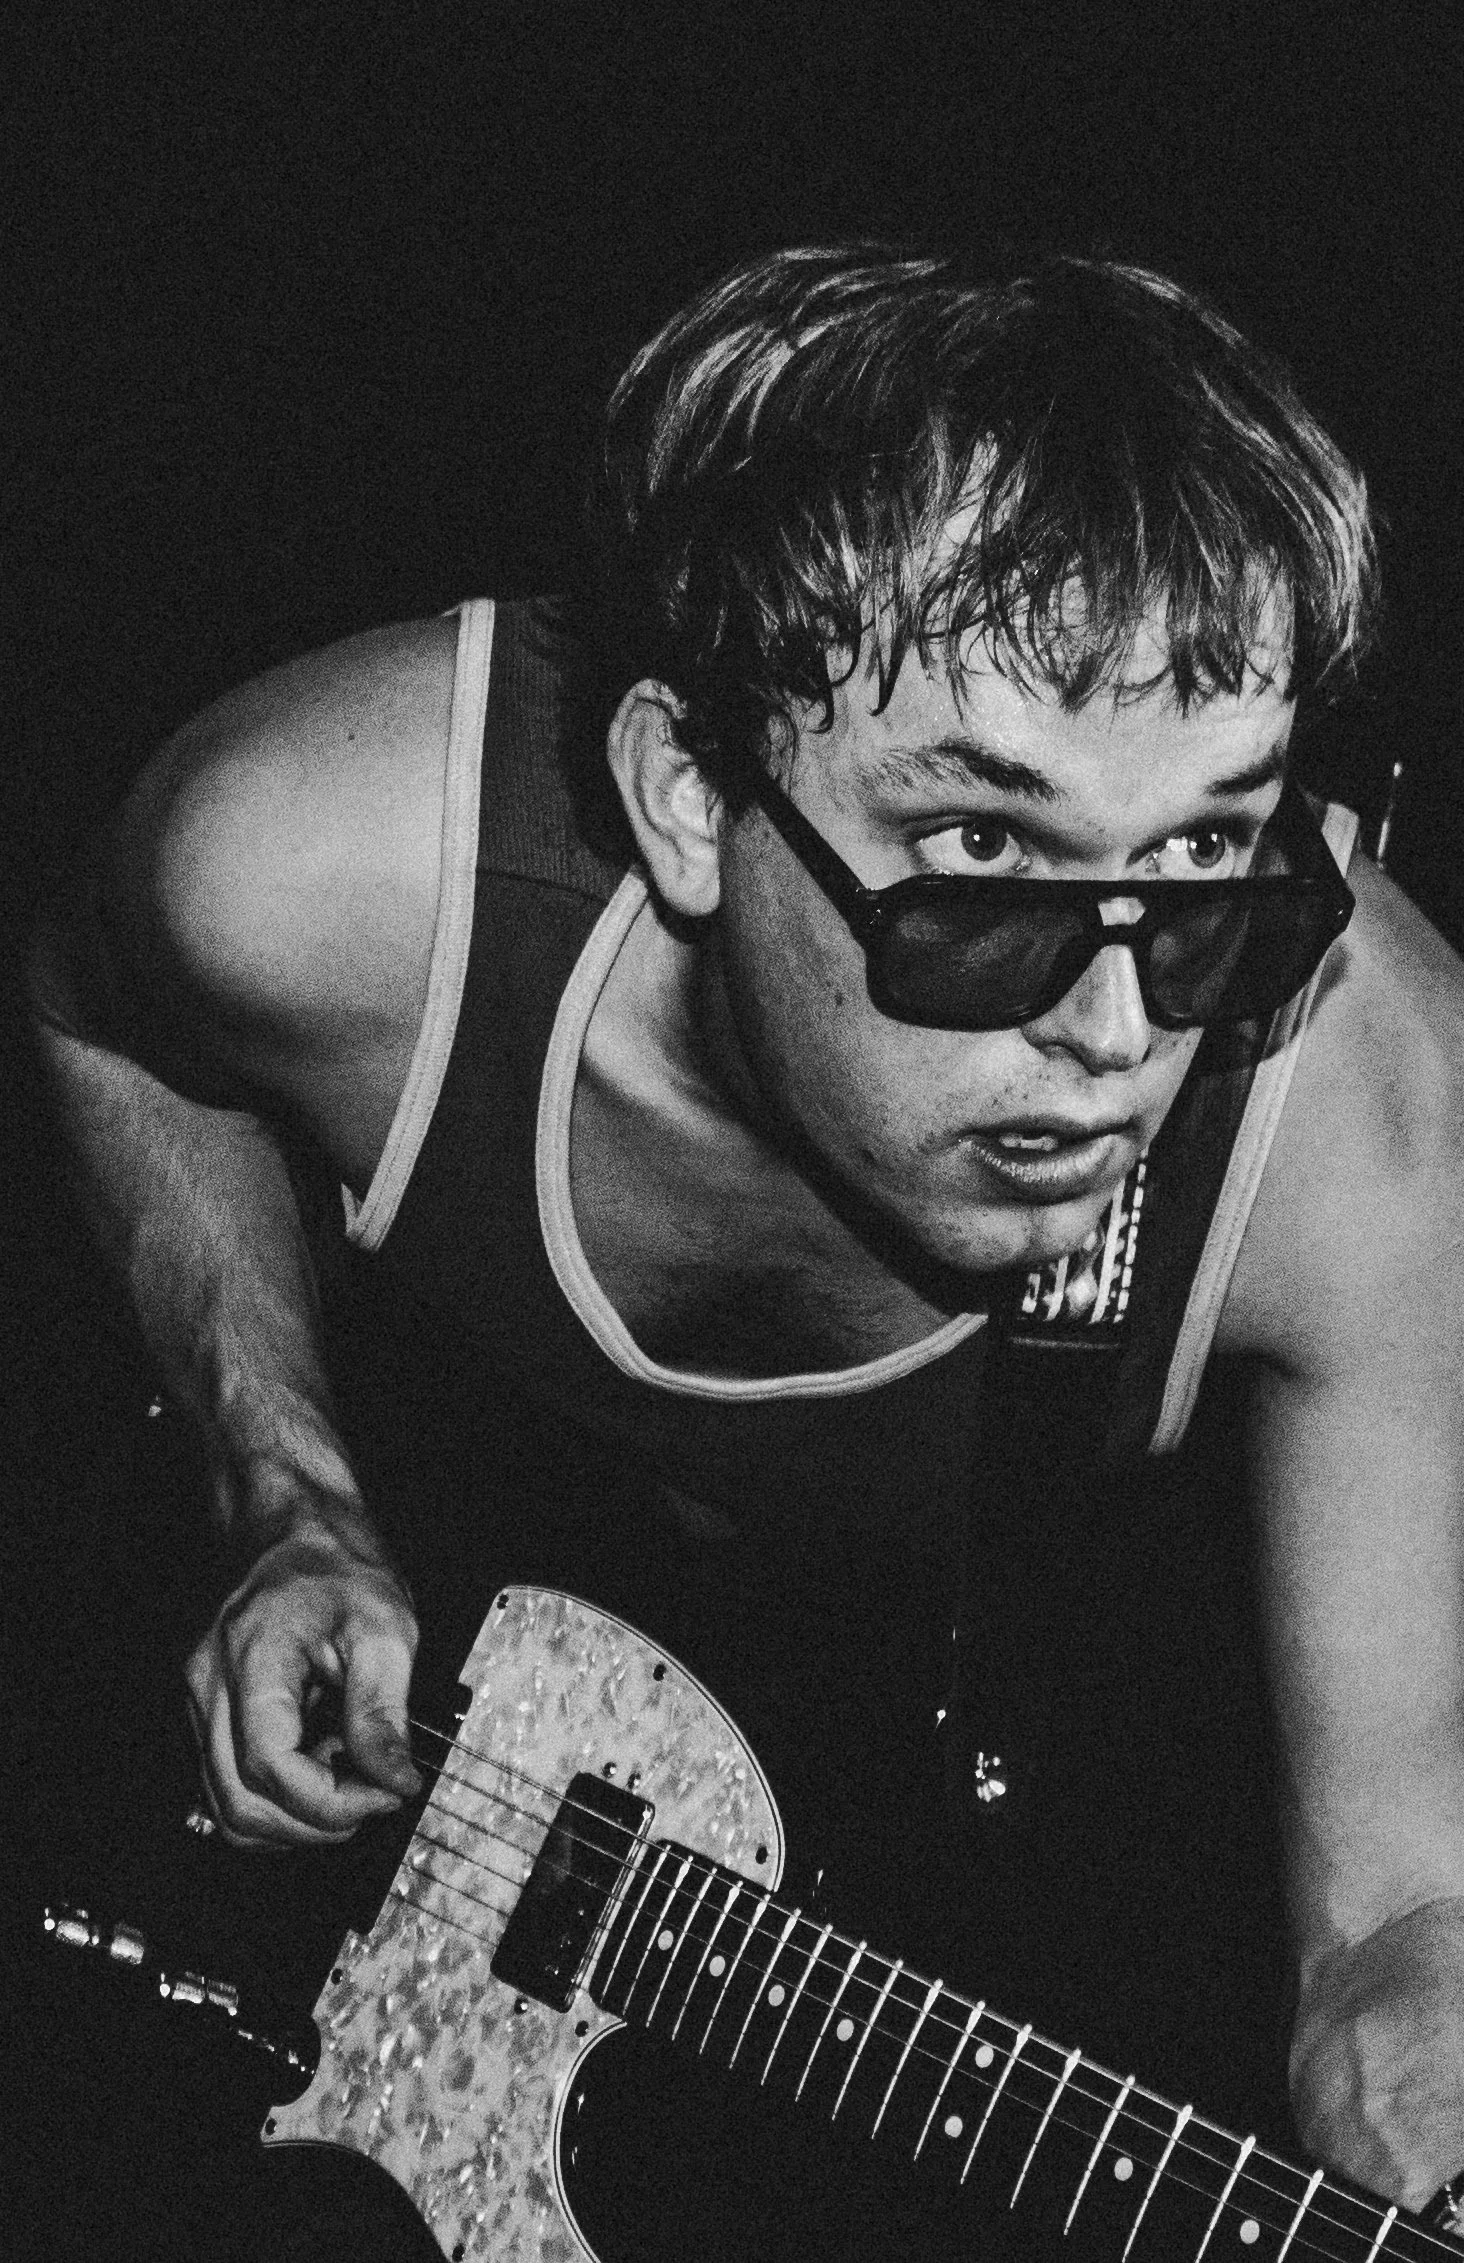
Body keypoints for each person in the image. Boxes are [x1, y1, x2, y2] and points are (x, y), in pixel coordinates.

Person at [28, 243, 1464, 2224]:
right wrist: (286, 1488)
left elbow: (1402, 1908)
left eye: (1214, 850)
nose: (1125, 1033)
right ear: (688, 796)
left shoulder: (1366, 1127)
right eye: (981, 857)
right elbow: (103, 1026)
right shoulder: (310, 867)